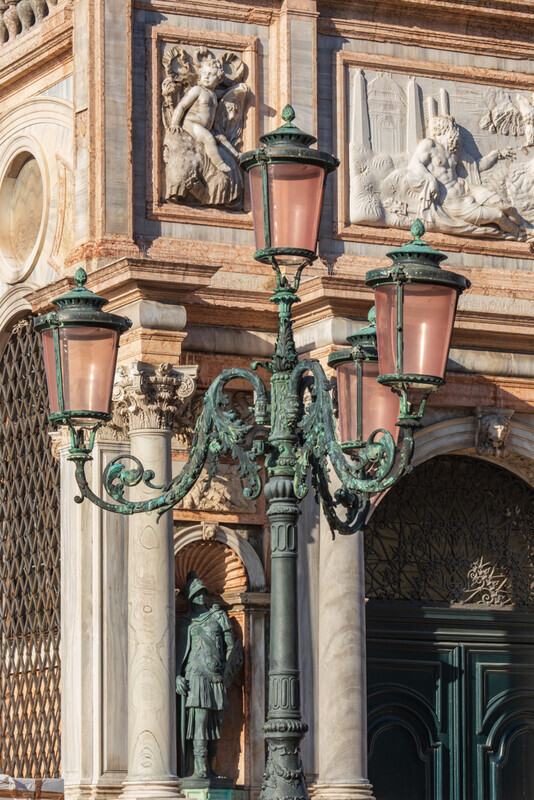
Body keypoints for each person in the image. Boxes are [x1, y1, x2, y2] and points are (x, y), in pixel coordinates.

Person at [406, 114, 523, 237]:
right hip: (451, 200)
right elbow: (414, 164)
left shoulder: (454, 151)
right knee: (498, 215)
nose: (458, 133)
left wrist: (497, 154)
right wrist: (430, 179)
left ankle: (525, 226)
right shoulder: (429, 145)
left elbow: (477, 165)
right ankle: (520, 234)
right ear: (446, 129)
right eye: (454, 128)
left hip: (467, 187)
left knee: (503, 204)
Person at [176, 572, 235, 779]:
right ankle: (199, 769)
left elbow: (231, 647)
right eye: (197, 594)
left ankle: (210, 768)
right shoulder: (185, 623)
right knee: (199, 723)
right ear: (190, 598)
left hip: (216, 678)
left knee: (216, 723)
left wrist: (227, 666)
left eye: (203, 593)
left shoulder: (219, 617)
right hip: (195, 677)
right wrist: (177, 676)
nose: (202, 597)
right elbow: (179, 653)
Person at [170, 58, 232, 174]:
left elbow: (226, 94)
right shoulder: (197, 90)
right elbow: (182, 106)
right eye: (204, 73)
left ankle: (236, 155)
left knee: (222, 138)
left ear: (219, 79)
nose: (206, 77)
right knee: (208, 138)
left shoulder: (213, 95)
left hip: (207, 128)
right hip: (192, 124)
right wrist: (174, 123)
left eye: (210, 74)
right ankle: (219, 163)